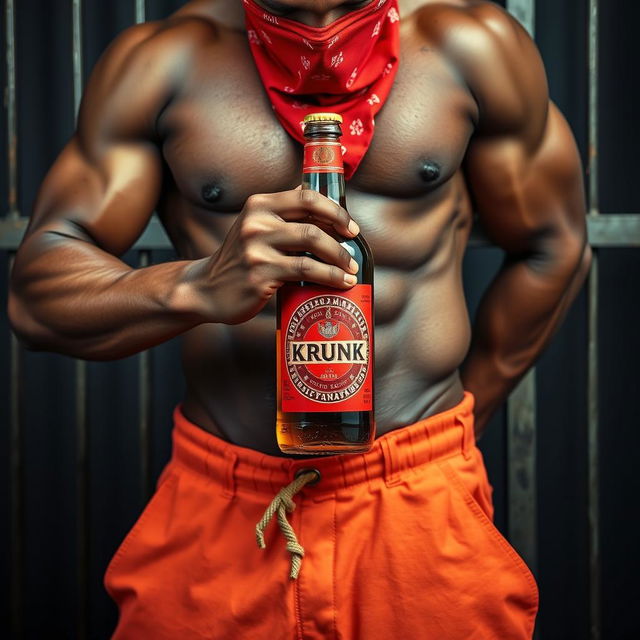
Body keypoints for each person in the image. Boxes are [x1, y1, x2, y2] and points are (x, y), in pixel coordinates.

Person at [8, 0, 591, 637]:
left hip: (419, 495)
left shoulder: (471, 44)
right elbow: (36, 298)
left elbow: (555, 244)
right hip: (225, 501)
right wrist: (199, 284)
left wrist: (450, 433)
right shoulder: (165, 61)